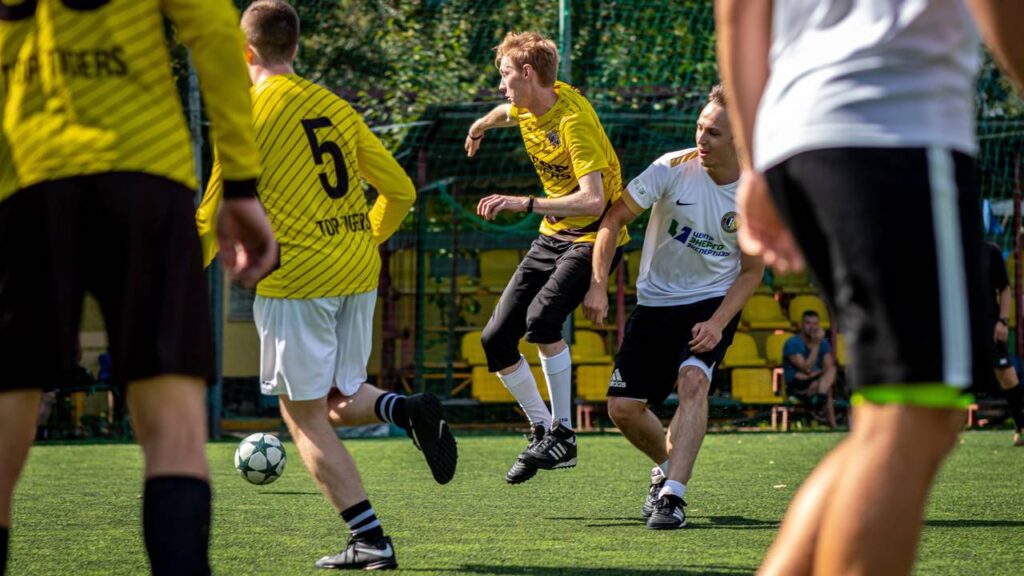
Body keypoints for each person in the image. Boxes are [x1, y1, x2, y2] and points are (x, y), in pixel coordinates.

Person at [716, 1, 1024, 573]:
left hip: (798, 137)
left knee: (913, 418)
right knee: (911, 417)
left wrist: (756, 162)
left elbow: (737, 12)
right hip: (894, 128)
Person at [0, 1, 277, 575]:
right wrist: (240, 183)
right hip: (144, 174)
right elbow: (214, 31)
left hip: (23, 179)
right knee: (173, 428)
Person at [195, 1, 456, 570]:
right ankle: (404, 409)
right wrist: (362, 239)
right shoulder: (335, 105)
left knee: (302, 415)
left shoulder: (245, 113)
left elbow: (211, 216)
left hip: (298, 283)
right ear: (295, 47)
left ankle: (371, 540)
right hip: (357, 271)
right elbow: (401, 191)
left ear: (245, 52)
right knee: (336, 399)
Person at [583, 85, 764, 530]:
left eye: (714, 133)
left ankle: (673, 498)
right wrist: (597, 285)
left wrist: (717, 323)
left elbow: (751, 272)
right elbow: (613, 219)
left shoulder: (755, 194)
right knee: (622, 408)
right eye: (700, 127)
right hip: (655, 302)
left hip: (711, 301)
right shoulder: (671, 167)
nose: (702, 138)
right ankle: (667, 468)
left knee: (693, 382)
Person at [464, 31, 628, 483]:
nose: (501, 85)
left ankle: (565, 434)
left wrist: (525, 202)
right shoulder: (528, 103)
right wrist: (479, 126)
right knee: (495, 339)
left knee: (540, 322)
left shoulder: (573, 122)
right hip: (553, 236)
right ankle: (543, 430)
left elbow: (594, 201)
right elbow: (505, 112)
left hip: (592, 237)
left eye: (505, 75)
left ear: (527, 73)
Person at [982, 241, 1024, 445]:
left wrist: (1003, 321)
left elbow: (1005, 288)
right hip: (958, 326)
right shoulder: (948, 251)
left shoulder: (991, 251)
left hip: (989, 325)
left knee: (1006, 374)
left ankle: (1021, 427)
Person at [782, 310, 837, 427]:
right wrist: (816, 344)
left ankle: (821, 398)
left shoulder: (823, 343)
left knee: (831, 371)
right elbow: (806, 368)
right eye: (808, 323)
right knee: (824, 387)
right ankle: (832, 424)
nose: (812, 327)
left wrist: (817, 374)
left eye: (815, 324)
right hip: (797, 384)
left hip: (816, 381)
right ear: (801, 325)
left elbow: (828, 367)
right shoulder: (792, 343)